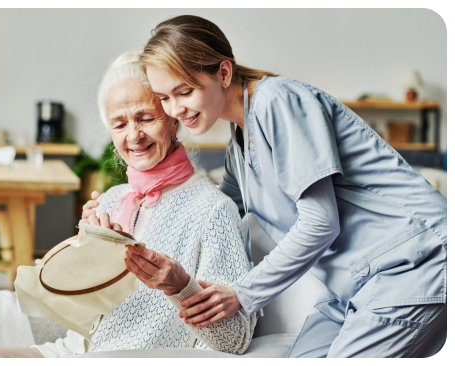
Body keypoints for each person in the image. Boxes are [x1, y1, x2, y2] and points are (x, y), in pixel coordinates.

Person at [85, 15, 447, 358]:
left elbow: (321, 222)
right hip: (355, 288)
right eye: (164, 98)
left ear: (223, 72)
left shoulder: (279, 101)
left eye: (184, 91)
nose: (175, 109)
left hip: (414, 263)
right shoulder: (237, 148)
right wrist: (122, 223)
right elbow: (203, 209)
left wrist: (241, 294)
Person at [0, 51, 256, 358]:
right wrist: (84, 251)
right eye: (119, 124)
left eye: (145, 118)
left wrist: (180, 285)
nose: (134, 135)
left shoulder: (213, 210)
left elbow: (235, 338)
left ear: (174, 120)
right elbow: (73, 316)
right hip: (70, 350)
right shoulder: (112, 199)